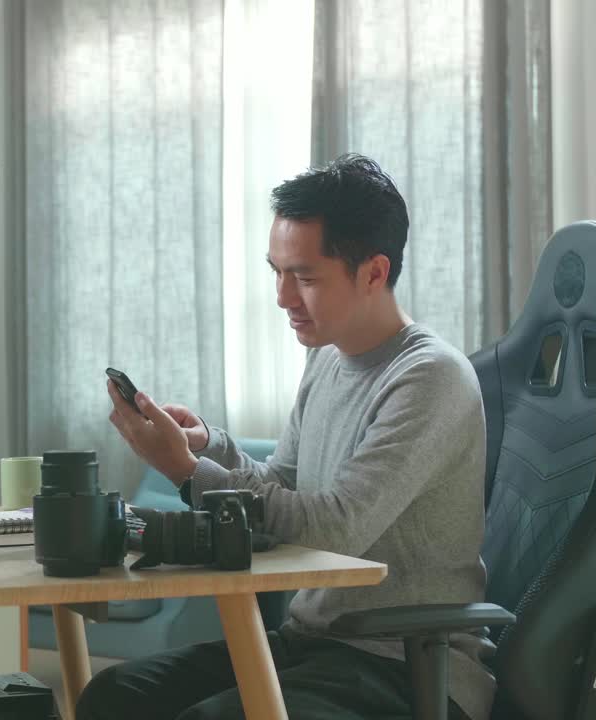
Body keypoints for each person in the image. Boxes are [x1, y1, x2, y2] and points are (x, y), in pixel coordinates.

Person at [82, 154, 492, 720]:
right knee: (113, 697)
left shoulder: (429, 378)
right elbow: (282, 484)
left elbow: (332, 530)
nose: (282, 297)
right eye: (276, 271)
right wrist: (207, 445)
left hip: (403, 665)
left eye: (305, 277)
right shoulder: (326, 357)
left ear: (374, 273)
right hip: (313, 645)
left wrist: (186, 471)